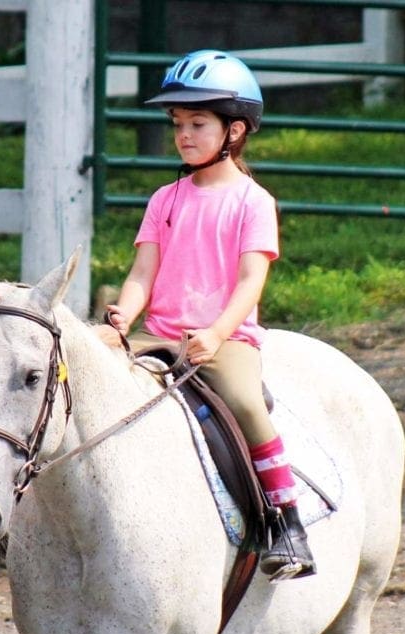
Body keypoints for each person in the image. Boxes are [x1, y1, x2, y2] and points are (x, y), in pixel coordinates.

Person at [101, 49, 316, 582]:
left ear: (235, 130)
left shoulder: (253, 201)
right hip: (160, 336)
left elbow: (250, 281)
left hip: (225, 339)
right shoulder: (165, 198)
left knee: (244, 401)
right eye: (178, 124)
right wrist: (120, 321)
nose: (184, 134)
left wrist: (218, 333)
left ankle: (285, 520)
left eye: (198, 123)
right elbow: (142, 273)